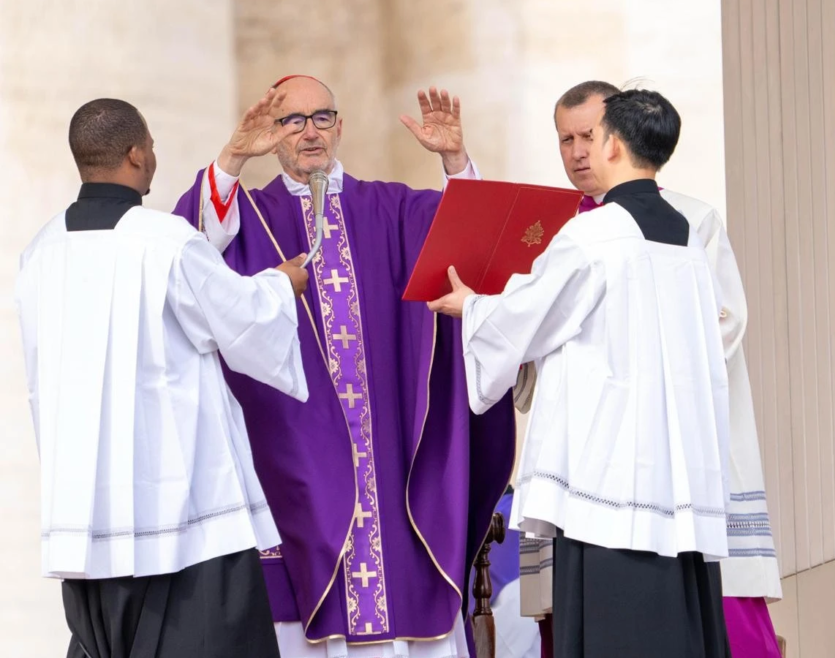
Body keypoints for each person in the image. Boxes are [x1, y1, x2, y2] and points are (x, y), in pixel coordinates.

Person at [171, 76, 516, 658]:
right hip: (294, 462)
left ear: (341, 124)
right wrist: (231, 158)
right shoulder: (250, 215)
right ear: (270, 135)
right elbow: (191, 251)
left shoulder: (393, 207)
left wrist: (455, 160)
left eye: (322, 117)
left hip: (392, 465)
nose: (310, 132)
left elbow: (477, 251)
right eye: (292, 121)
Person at [430, 89, 732, 658]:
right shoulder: (687, 237)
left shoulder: (594, 235)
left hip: (607, 480)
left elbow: (530, 315)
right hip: (678, 479)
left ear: (613, 142)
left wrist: (472, 307)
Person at [15, 98, 310, 658]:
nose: (154, 154)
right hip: (184, 517)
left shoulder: (39, 253)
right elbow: (241, 319)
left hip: (87, 516)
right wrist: (280, 284)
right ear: (134, 154)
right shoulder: (165, 243)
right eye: (150, 144)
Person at [528, 80, 785, 657]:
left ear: (620, 137)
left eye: (589, 136)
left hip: (672, 444)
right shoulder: (556, 227)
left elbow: (726, 321)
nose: (576, 152)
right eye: (563, 139)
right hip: (596, 452)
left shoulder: (693, 218)